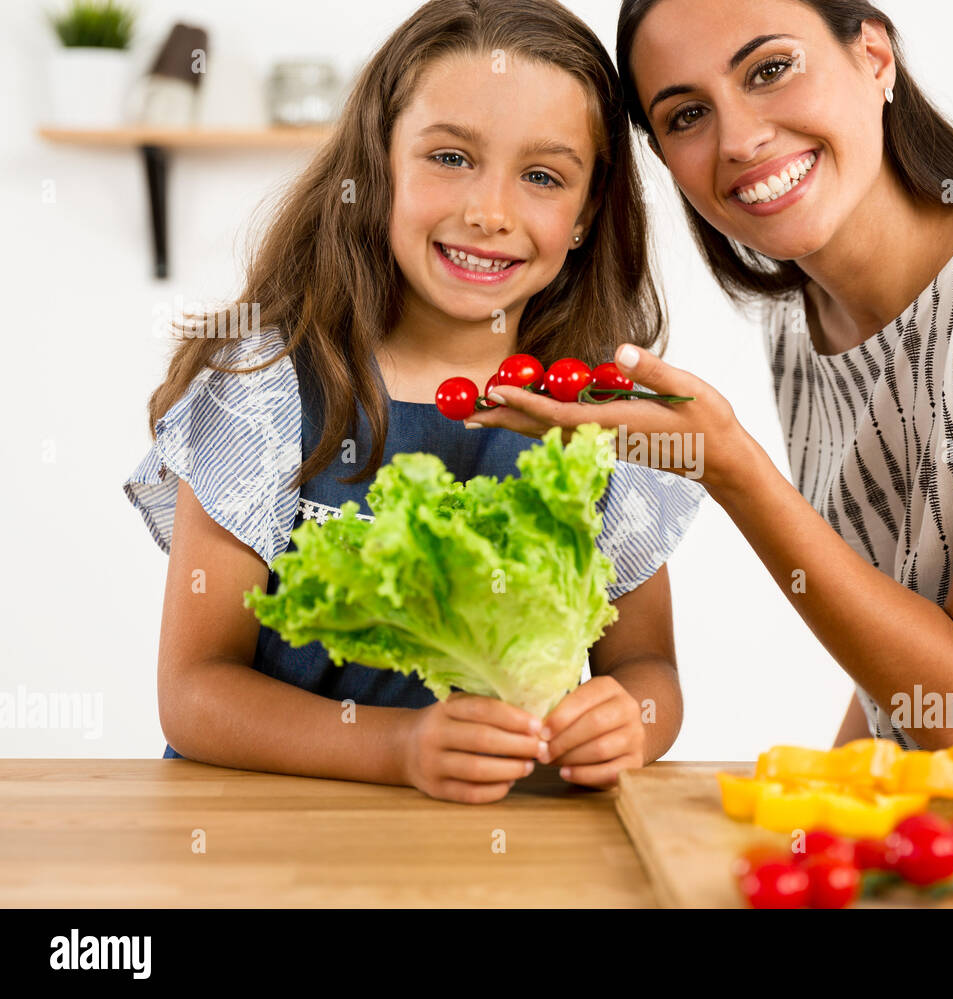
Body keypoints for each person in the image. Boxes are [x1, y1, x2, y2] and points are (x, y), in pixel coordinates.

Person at [467, 0, 953, 750]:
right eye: (686, 114)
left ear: (874, 56)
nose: (738, 138)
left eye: (770, 69)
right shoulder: (799, 323)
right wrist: (831, 789)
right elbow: (908, 640)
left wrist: (730, 467)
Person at [123, 0, 703, 801]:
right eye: (451, 157)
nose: (488, 212)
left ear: (585, 214)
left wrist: (630, 719)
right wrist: (399, 748)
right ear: (378, 164)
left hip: (495, 853)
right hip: (264, 842)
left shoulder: (600, 412)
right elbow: (194, 694)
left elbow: (649, 673)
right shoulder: (265, 385)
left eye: (542, 176)